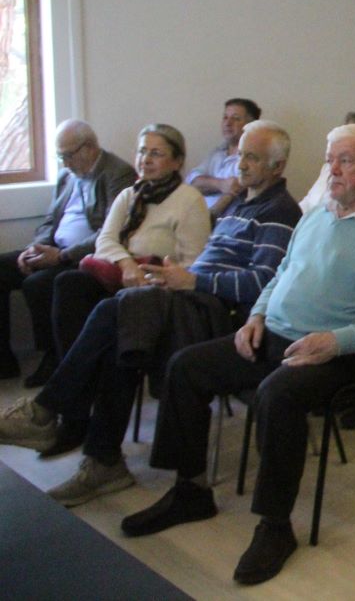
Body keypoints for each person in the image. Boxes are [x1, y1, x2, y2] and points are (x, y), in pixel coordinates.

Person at [114, 123, 355, 585]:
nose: (333, 171)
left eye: (345, 161)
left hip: (347, 354)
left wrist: (334, 342)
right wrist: (256, 316)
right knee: (186, 366)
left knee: (277, 395)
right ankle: (190, 490)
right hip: (278, 335)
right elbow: (281, 274)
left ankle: (275, 527)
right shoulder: (317, 216)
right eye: (330, 160)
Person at [0, 121, 301, 497]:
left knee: (120, 311)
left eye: (252, 158)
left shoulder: (279, 211)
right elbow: (129, 246)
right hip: (189, 298)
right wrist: (175, 277)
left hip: (224, 317)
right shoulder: (240, 205)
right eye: (240, 155)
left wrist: (191, 280)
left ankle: (48, 413)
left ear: (277, 166)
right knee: (120, 334)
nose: (240, 164)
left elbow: (262, 282)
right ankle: (102, 459)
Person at [45, 125, 211, 373]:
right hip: (122, 273)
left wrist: (149, 275)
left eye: (156, 153)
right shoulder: (130, 194)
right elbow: (105, 240)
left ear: (177, 161)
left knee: (111, 310)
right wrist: (127, 265)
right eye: (142, 151)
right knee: (69, 283)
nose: (146, 159)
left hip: (157, 284)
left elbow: (193, 262)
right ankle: (75, 372)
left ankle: (75, 383)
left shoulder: (189, 199)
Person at [1, 120, 134, 385]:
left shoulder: (118, 174)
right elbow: (50, 220)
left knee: (38, 283)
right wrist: (34, 249)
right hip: (54, 250)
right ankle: (4, 360)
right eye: (60, 157)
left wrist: (62, 256)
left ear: (89, 147)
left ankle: (53, 356)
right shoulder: (67, 176)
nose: (65, 163)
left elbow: (111, 232)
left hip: (83, 257)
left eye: (68, 155)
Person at [187, 98, 259, 215]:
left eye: (236, 118)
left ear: (250, 126)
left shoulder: (252, 159)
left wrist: (207, 185)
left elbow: (229, 196)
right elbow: (192, 183)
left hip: (219, 221)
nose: (228, 123)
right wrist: (221, 184)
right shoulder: (217, 153)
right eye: (225, 117)